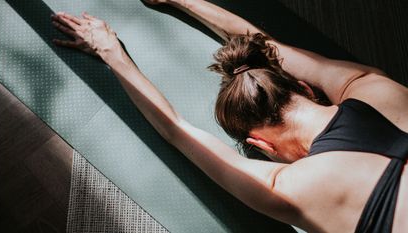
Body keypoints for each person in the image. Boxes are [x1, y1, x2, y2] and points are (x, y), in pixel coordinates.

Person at [50, 0, 408, 232]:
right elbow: (270, 46)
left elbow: (176, 129)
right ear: (306, 87)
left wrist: (112, 53)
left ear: (259, 144)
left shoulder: (289, 189)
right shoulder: (376, 89)